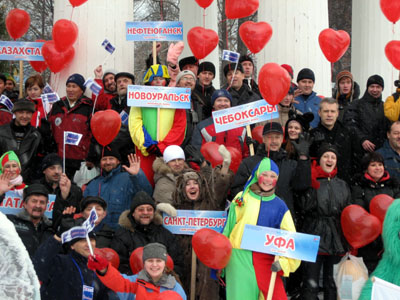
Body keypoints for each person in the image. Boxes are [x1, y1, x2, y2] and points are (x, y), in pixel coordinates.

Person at [223, 158, 300, 300]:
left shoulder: (280, 206)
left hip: (267, 261)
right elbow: (228, 229)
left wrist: (283, 263)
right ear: (257, 175)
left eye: (273, 176)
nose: (268, 180)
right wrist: (220, 259)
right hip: (238, 257)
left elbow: (291, 239)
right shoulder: (241, 198)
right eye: (265, 175)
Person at [171, 145, 233, 298]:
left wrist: (225, 165)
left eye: (195, 183)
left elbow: (220, 187)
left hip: (207, 267)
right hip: (185, 265)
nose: (192, 186)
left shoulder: (211, 204)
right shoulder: (177, 208)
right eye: (188, 184)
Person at [299, 144, 351, 300]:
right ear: (319, 160)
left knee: (332, 284)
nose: (330, 160)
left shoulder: (342, 184)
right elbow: (303, 207)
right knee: (310, 283)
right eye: (326, 156)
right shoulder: (310, 180)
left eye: (333, 157)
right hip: (313, 235)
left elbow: (348, 212)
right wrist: (310, 186)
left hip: (336, 238)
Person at [231, 121, 311, 220]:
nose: (274, 141)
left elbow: (302, 186)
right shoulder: (249, 163)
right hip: (255, 218)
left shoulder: (291, 164)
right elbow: (237, 190)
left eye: (277, 137)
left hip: (282, 219)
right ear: (263, 139)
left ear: (282, 139)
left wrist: (303, 159)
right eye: (270, 137)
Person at [129, 65, 187, 184]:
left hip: (168, 153)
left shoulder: (177, 98)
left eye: (161, 78)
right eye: (154, 79)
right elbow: (135, 123)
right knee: (145, 183)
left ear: (166, 80)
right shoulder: (139, 98)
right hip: (146, 151)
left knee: (168, 184)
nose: (158, 81)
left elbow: (179, 126)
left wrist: (162, 147)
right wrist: (146, 143)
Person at [33, 218, 111, 299]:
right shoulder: (60, 262)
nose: (88, 244)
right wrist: (58, 237)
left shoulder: (99, 270)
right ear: (72, 246)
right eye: (83, 240)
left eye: (91, 240)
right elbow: (39, 265)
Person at [110, 191, 183, 276]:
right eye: (141, 209)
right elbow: (119, 266)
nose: (145, 212)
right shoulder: (122, 235)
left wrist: (161, 277)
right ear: (133, 213)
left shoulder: (165, 234)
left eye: (149, 209)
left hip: (162, 285)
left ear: (153, 212)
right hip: (133, 285)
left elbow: (178, 264)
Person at [352, 152, 400, 274]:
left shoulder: (393, 186)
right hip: (369, 240)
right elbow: (358, 212)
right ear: (366, 169)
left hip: (391, 240)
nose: (378, 168)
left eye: (380, 164)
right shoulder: (359, 187)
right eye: (373, 165)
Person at [88, 242, 187, 299]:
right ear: (144, 263)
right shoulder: (136, 281)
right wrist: (104, 269)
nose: (154, 265)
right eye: (150, 261)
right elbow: (118, 282)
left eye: (159, 261)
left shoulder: (174, 287)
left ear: (164, 263)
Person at [84, 149, 152, 229]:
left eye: (111, 159)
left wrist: (137, 175)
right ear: (100, 163)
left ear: (118, 161)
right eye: (104, 159)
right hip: (98, 233)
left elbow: (146, 195)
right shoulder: (93, 184)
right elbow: (84, 209)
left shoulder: (129, 178)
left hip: (123, 233)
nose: (108, 162)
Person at [48, 73, 93, 179]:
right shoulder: (57, 105)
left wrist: (91, 156)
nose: (70, 89)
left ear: (81, 89)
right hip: (59, 159)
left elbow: (93, 133)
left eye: (74, 86)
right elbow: (50, 130)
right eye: (68, 86)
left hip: (80, 160)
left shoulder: (88, 106)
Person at [310, 97, 360, 184]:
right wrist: (317, 147)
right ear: (319, 113)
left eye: (332, 111)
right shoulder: (312, 135)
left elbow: (355, 160)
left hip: (344, 183)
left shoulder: (348, 134)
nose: (329, 115)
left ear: (337, 113)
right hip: (320, 185)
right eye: (326, 111)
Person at [191, 89, 249, 158]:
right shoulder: (202, 127)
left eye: (226, 101)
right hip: (212, 168)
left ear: (230, 104)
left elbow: (246, 154)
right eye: (219, 100)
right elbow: (196, 153)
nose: (223, 104)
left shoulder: (242, 127)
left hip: (237, 167)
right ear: (213, 105)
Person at [344, 74, 390, 153]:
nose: (375, 90)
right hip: (359, 151)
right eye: (372, 86)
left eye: (378, 87)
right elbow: (350, 124)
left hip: (380, 152)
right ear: (367, 88)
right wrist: (362, 139)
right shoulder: (356, 104)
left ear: (382, 89)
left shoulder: (385, 107)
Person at [35, 153, 82, 229]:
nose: (57, 171)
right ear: (44, 171)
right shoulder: (36, 187)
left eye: (59, 168)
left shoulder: (74, 190)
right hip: (40, 228)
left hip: (64, 229)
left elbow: (77, 212)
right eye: (52, 168)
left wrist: (66, 195)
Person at [0, 99, 42, 183]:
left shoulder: (36, 135)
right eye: (21, 112)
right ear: (15, 113)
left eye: (28, 113)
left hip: (26, 182)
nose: (24, 116)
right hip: (3, 180)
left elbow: (37, 162)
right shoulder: (2, 132)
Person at [7, 184, 54, 257]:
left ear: (46, 206)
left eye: (42, 202)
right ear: (25, 204)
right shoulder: (10, 222)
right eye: (34, 201)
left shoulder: (51, 228)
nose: (38, 206)